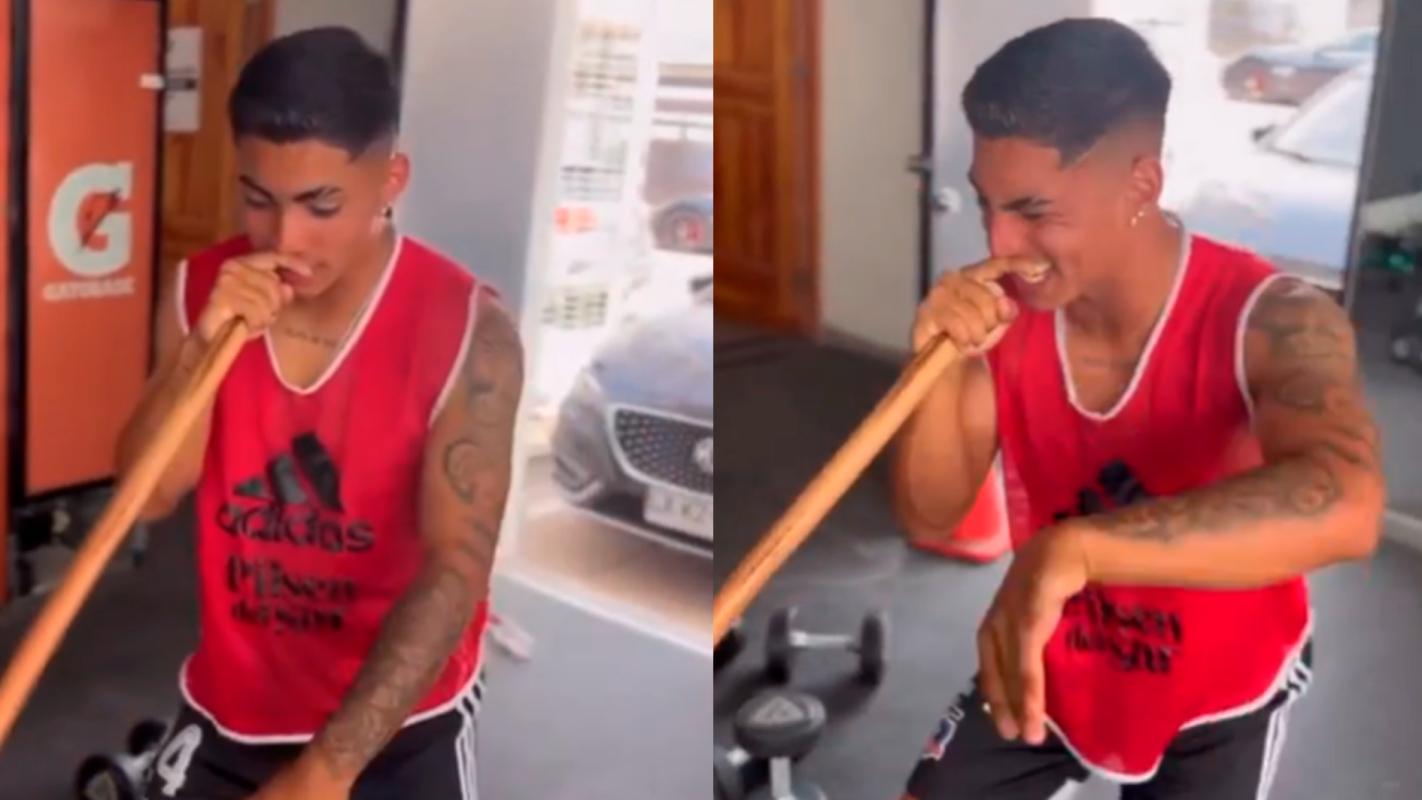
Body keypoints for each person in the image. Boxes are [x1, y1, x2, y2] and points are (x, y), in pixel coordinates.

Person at [893, 18, 1383, 800]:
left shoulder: (1276, 316)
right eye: (988, 205)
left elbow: (1346, 503)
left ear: (1140, 186)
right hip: (1050, 656)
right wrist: (938, 371)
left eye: (1035, 212)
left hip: (1218, 691)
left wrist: (1078, 549)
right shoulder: (1003, 317)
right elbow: (931, 512)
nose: (1000, 241)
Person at [116, 27, 519, 800]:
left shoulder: (473, 333)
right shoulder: (202, 289)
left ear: (391, 179)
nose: (286, 240)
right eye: (258, 200)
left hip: (397, 726)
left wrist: (325, 773)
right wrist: (202, 351)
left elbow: (456, 571)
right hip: (233, 709)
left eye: (321, 205)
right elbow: (145, 498)